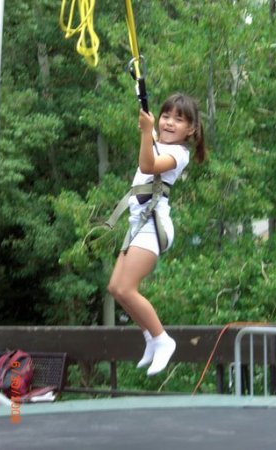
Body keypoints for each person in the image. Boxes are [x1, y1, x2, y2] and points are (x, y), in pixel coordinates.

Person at [107, 93, 206, 376]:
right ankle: (150, 337)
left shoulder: (178, 153)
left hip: (153, 226)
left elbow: (148, 166)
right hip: (138, 225)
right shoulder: (157, 145)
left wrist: (147, 133)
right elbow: (147, 157)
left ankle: (163, 340)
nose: (170, 122)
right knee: (115, 288)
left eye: (179, 119)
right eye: (166, 116)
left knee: (127, 288)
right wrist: (148, 134)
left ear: (191, 129)